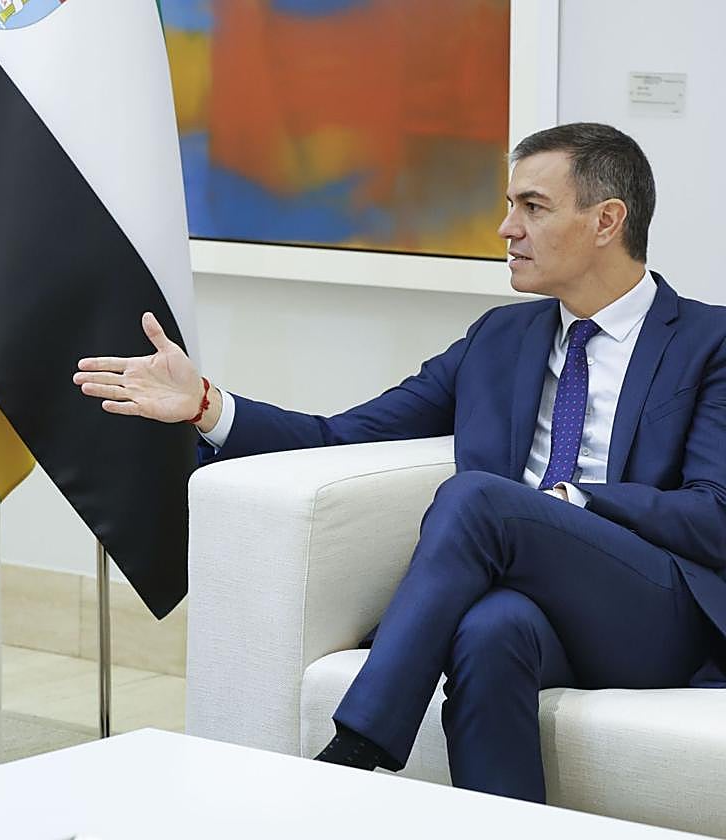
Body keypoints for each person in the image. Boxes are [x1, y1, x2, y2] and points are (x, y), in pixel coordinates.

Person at [73, 123, 726, 802]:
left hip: (658, 610)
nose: (506, 228)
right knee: (487, 632)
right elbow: (342, 435)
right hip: (530, 604)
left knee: (478, 498)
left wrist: (572, 502)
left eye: (532, 207)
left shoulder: (710, 343)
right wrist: (207, 405)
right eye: (509, 206)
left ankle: (356, 746)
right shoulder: (498, 340)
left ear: (606, 221)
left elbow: (716, 514)